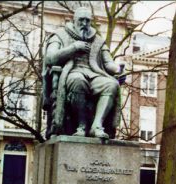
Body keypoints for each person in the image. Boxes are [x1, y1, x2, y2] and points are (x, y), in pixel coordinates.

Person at [42, 7, 125, 139]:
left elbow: (108, 63)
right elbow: (50, 58)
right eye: (81, 20)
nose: (84, 23)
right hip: (71, 71)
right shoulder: (60, 35)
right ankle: (81, 126)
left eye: (87, 20)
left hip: (94, 73)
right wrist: (74, 47)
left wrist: (118, 69)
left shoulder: (97, 39)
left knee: (112, 84)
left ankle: (96, 125)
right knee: (77, 81)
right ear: (74, 20)